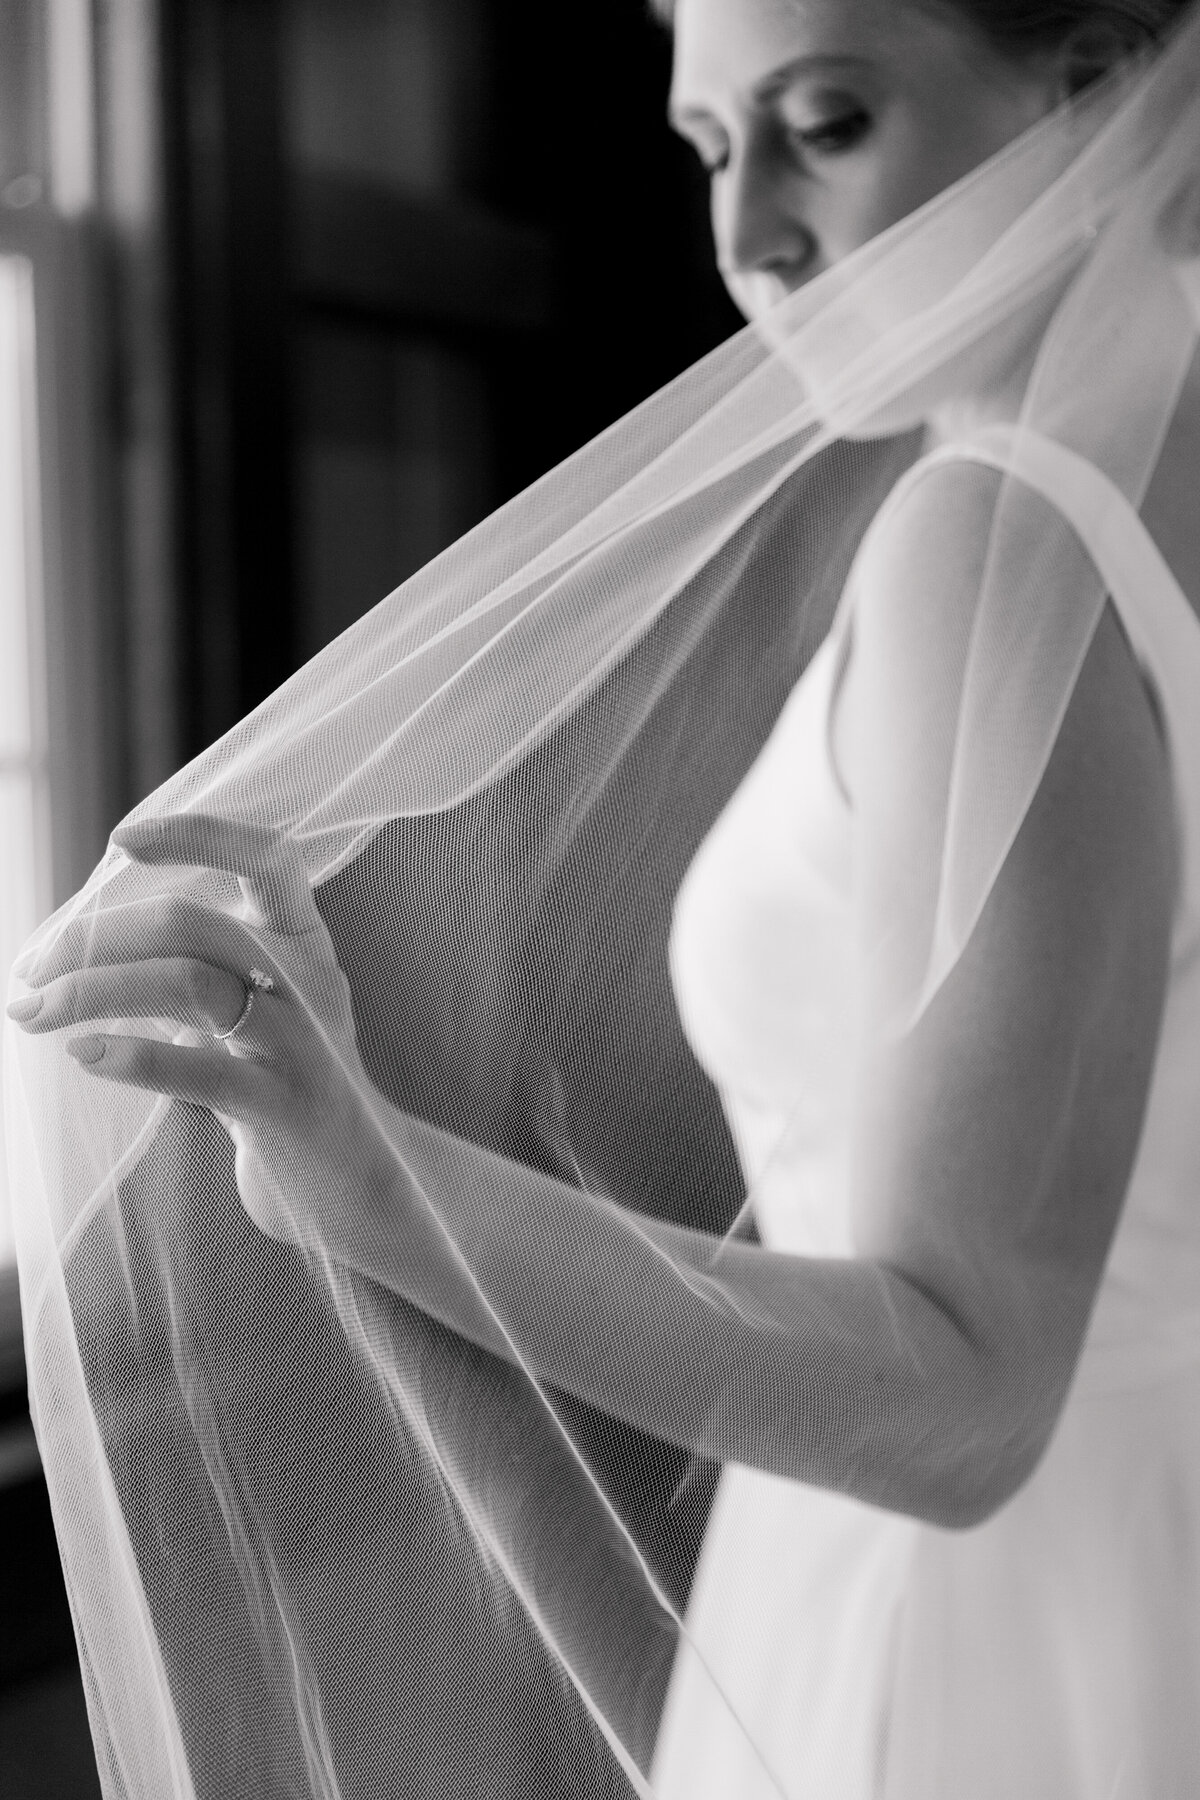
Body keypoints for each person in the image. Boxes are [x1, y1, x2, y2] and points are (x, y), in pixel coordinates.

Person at [8, 0, 1200, 1794]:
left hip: (974, 1638)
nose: (748, 242)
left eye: (826, 119)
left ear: (1094, 88)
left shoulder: (993, 540)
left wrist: (375, 1182)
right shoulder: (1124, 515)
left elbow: (965, 1394)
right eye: (713, 149)